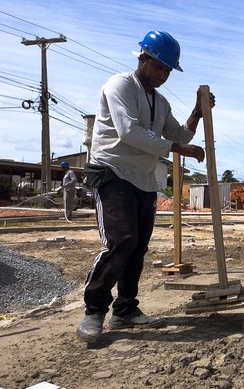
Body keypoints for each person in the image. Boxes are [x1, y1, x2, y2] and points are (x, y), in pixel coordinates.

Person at [76, 30, 212, 344]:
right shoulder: (120, 85)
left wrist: (197, 112)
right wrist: (177, 150)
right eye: (159, 66)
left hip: (143, 181)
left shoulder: (160, 102)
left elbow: (180, 136)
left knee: (137, 248)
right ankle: (94, 310)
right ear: (143, 59)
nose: (163, 74)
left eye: (167, 70)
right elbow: (128, 132)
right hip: (112, 174)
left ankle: (125, 309)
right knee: (121, 241)